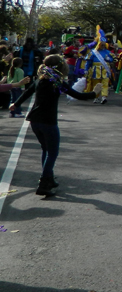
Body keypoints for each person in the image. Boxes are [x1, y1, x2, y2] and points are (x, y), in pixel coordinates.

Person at [10, 55, 98, 197]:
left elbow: (28, 92)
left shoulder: (40, 79)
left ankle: (49, 178)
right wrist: (95, 93)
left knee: (45, 149)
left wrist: (16, 104)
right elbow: (77, 95)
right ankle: (44, 183)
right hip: (48, 121)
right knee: (53, 152)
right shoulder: (57, 82)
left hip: (35, 120)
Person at [85, 27, 113, 105]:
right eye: (102, 44)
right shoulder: (93, 52)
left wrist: (109, 59)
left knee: (105, 83)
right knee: (96, 84)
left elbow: (112, 59)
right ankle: (96, 97)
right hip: (95, 70)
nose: (103, 46)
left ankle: (104, 97)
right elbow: (88, 61)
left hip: (105, 69)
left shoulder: (107, 52)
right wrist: (86, 69)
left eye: (104, 44)